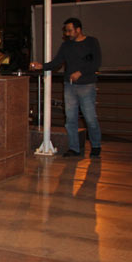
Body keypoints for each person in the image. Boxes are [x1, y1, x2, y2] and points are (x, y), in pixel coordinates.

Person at [30, 18, 102, 158]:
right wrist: (41, 66)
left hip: (87, 85)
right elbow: (57, 62)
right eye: (66, 31)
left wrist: (80, 72)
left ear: (78, 29)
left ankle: (96, 146)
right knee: (70, 119)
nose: (67, 34)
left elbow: (96, 63)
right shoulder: (66, 45)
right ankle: (74, 148)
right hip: (69, 86)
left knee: (90, 118)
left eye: (69, 30)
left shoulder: (91, 42)